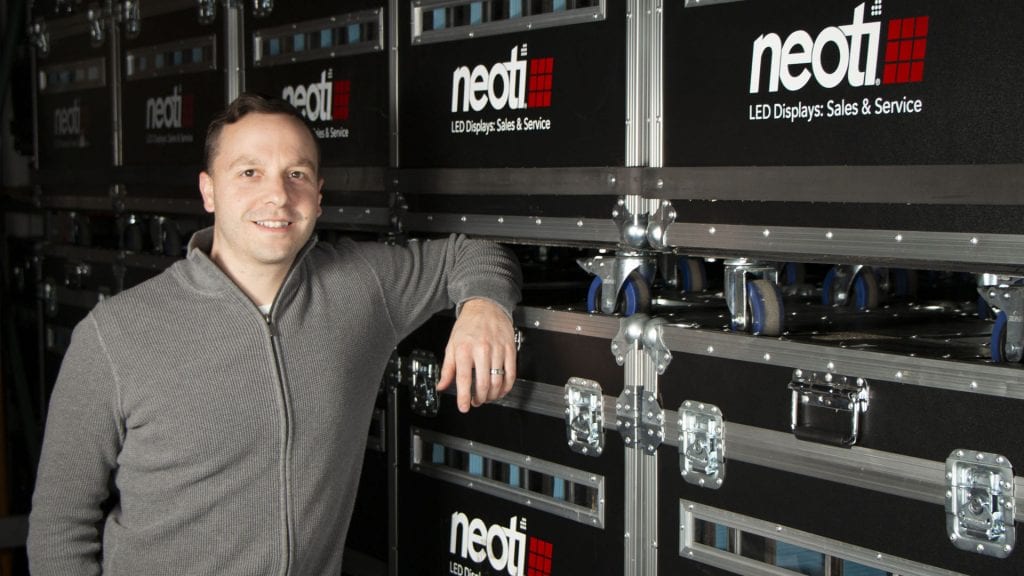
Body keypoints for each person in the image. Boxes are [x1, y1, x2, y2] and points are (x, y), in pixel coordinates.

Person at [27, 93, 523, 574]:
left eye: (296, 174)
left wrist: (484, 306)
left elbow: (474, 253)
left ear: (318, 196)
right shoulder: (114, 335)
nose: (278, 196)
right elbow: (58, 529)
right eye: (249, 173)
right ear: (208, 191)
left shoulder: (362, 286)